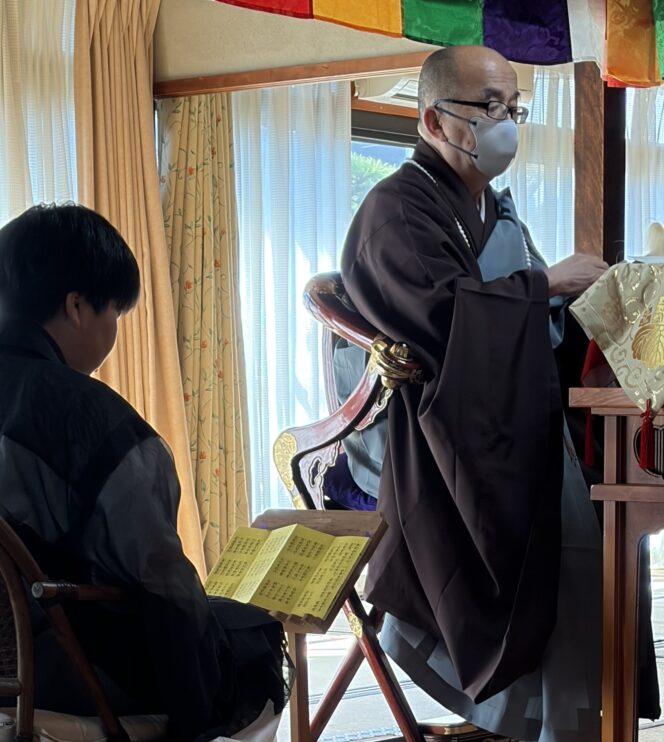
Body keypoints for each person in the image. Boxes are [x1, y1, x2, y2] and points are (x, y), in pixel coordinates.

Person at [340, 45, 617, 741]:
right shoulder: (395, 212)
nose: (506, 123)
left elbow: (530, 319)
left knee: (601, 531)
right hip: (438, 442)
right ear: (434, 120)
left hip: (511, 423)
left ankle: (567, 724)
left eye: (514, 108)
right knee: (558, 540)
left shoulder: (493, 208)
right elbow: (446, 322)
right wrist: (546, 285)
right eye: (489, 106)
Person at [0, 204, 287, 741]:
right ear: (77, 306)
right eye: (114, 311)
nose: (113, 330)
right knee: (252, 638)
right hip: (66, 676)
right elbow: (164, 588)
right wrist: (197, 709)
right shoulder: (94, 423)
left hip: (7, 668)